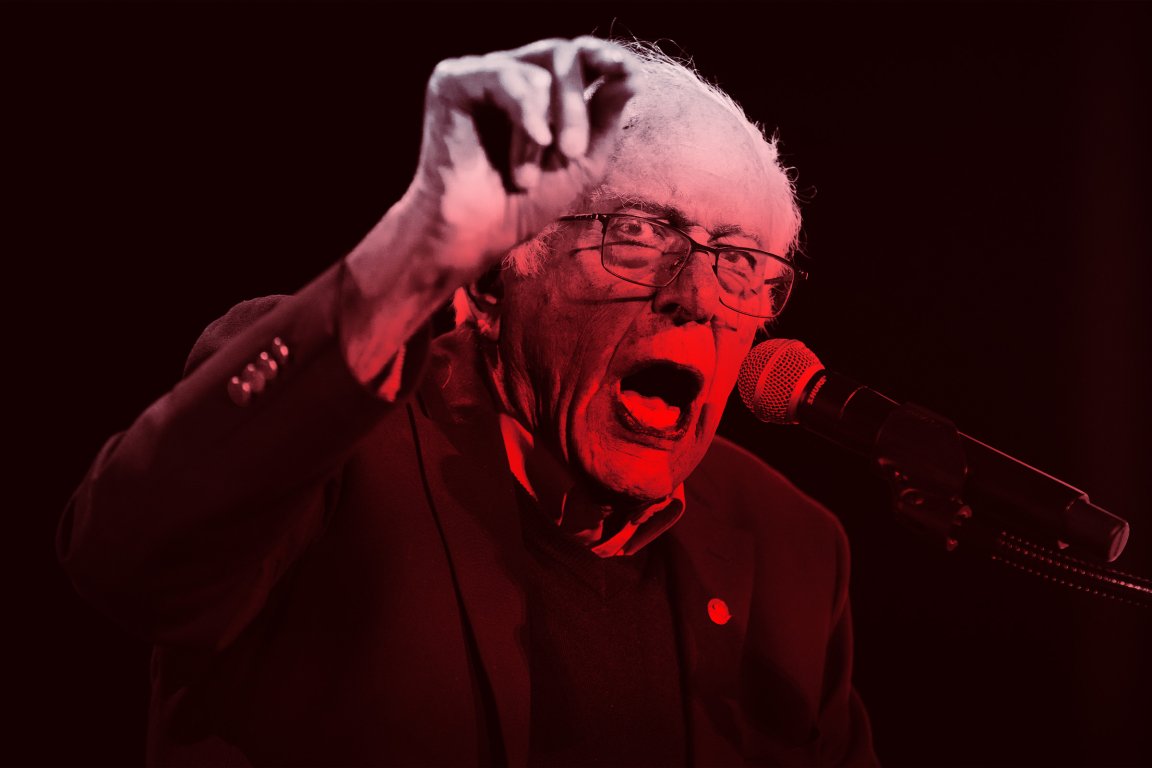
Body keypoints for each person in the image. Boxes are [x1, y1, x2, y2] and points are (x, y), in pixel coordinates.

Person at [59, 36, 878, 766]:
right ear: (492, 281)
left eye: (741, 264)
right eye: (637, 233)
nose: (696, 294)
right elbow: (126, 561)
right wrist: (417, 243)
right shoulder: (334, 438)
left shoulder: (793, 550)